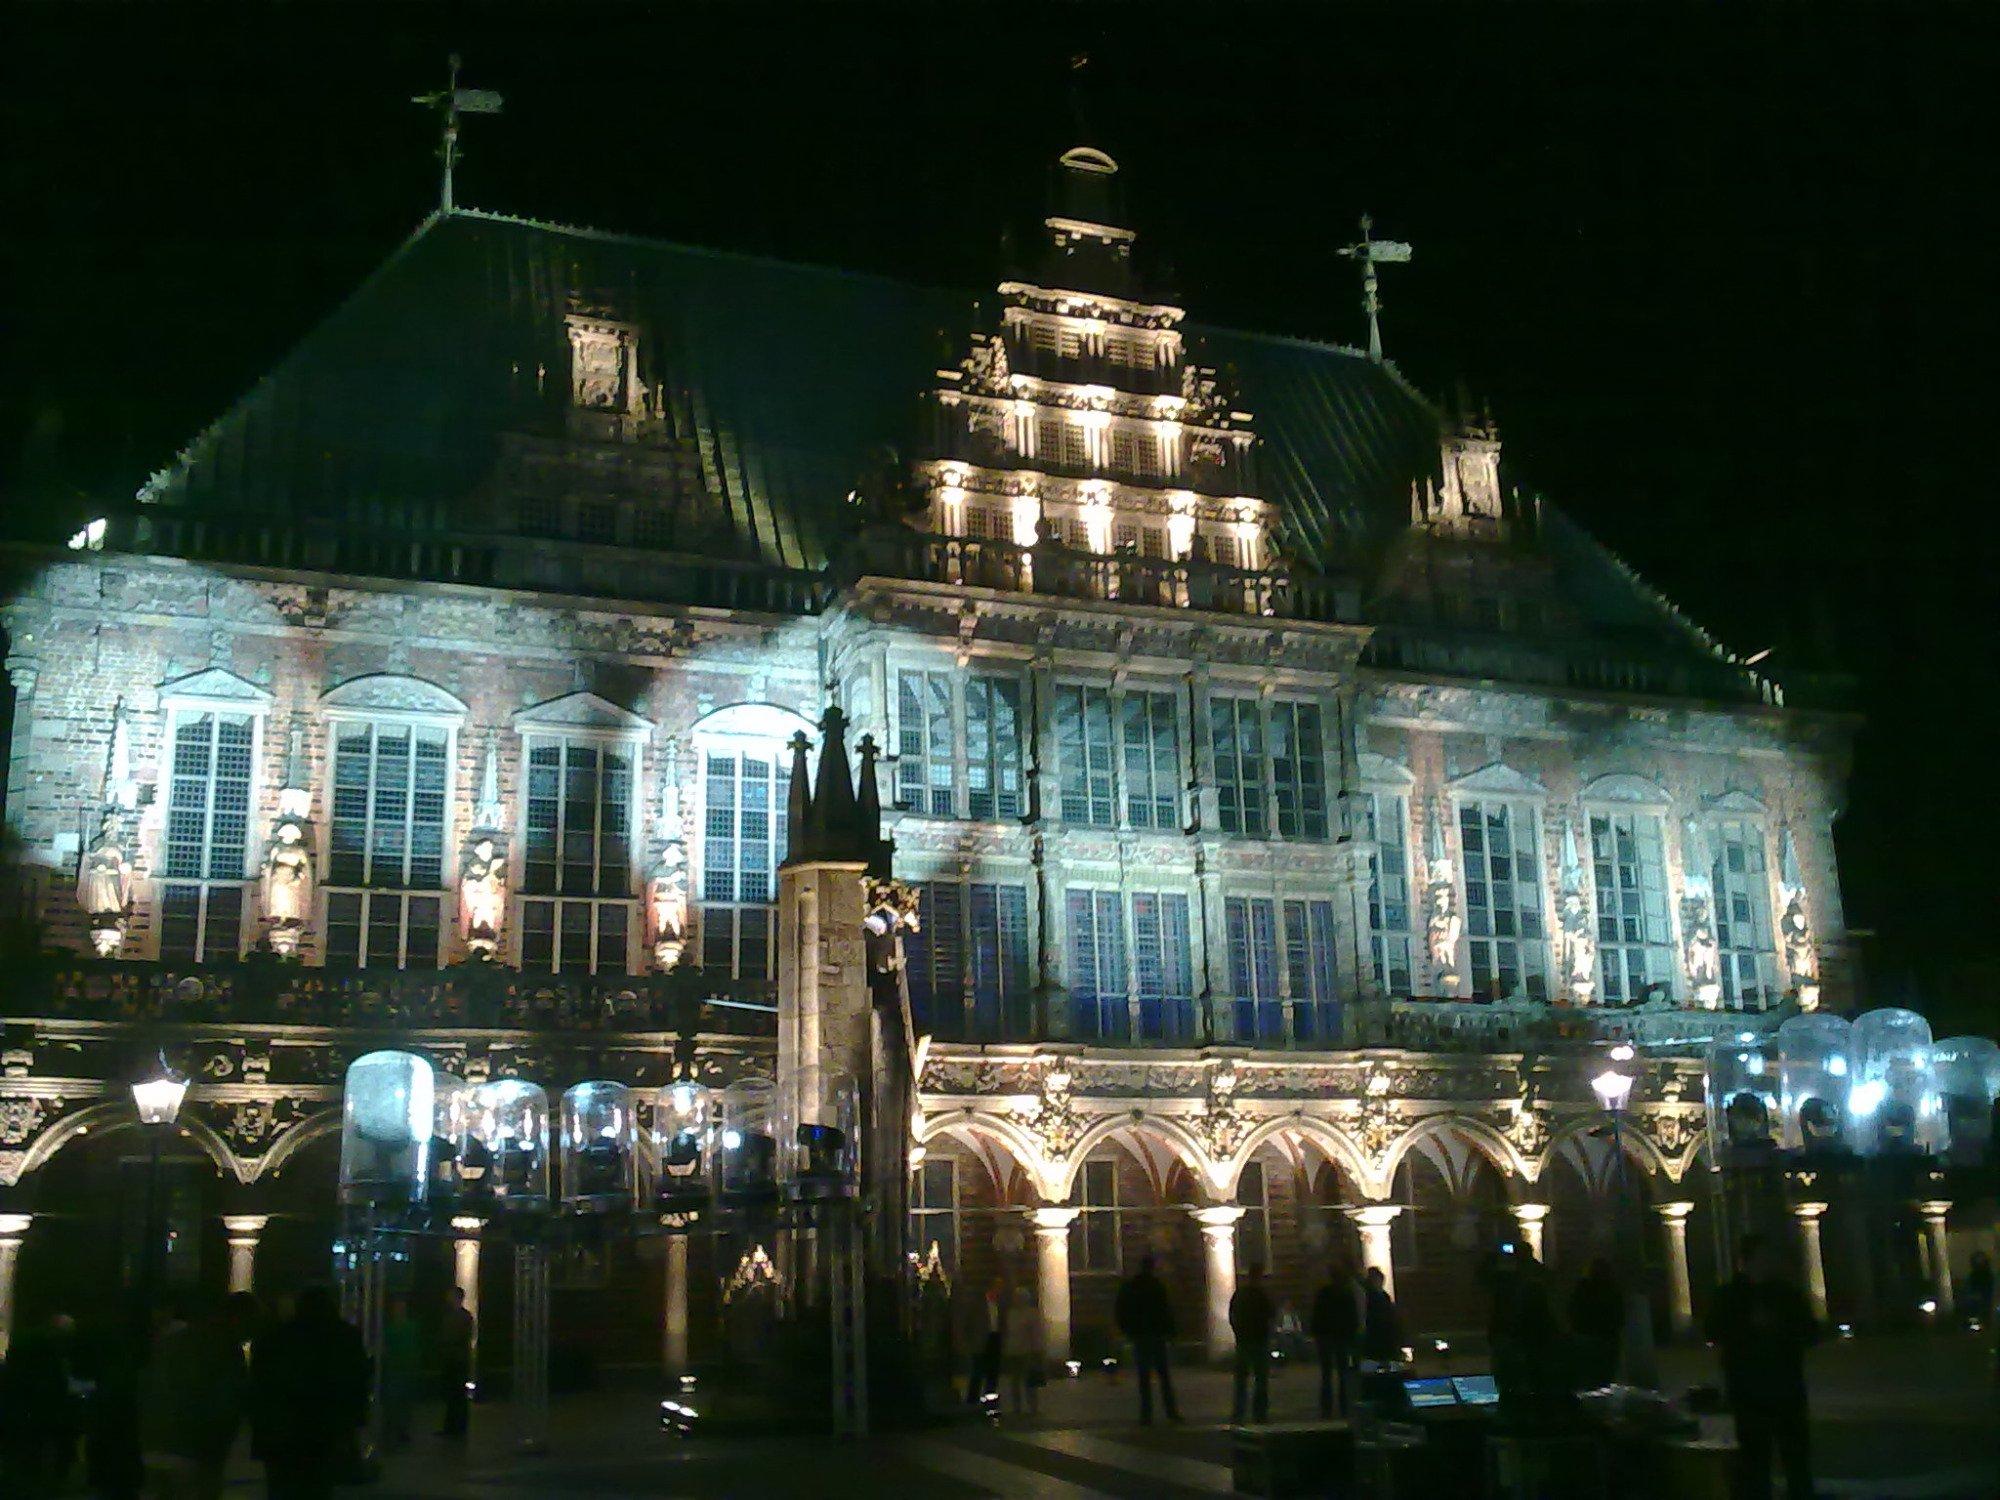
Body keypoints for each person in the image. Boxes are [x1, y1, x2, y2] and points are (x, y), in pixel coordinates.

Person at [1705, 1234, 1819, 1500]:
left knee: (1795, 1461)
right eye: (1763, 1257)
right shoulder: (1733, 1296)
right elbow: (1714, 1331)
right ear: (1747, 1262)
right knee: (1757, 1463)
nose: (1769, 1263)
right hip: (1752, 1392)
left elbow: (1810, 1332)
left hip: (1783, 1389)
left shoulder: (1785, 1294)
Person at [250, 1285, 369, 1500]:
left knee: (283, 1487)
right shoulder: (345, 1337)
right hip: (325, 1430)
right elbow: (355, 1382)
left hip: (283, 1432)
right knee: (318, 1487)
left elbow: (261, 1385)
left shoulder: (277, 1338)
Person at [140, 1295, 250, 1499]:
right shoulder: (225, 1348)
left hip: (157, 1441)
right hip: (195, 1449)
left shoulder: (173, 1341)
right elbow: (226, 1404)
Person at [0, 1310, 80, 1496]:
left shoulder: (23, 1351)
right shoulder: (52, 1358)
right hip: (40, 1417)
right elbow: (58, 1391)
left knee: (18, 1463)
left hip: (17, 1416)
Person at [1113, 1255, 1181, 1425]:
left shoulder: (1132, 1286)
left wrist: (1128, 1330)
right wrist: (1171, 1333)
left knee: (1144, 1378)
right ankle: (1171, 1412)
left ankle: (1146, 1415)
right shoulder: (1157, 1286)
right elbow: (1166, 1310)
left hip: (1141, 1336)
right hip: (1156, 1335)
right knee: (1163, 1377)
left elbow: (1121, 1310)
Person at [1310, 1261, 1364, 1418]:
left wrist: (1317, 1335)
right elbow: (1352, 1317)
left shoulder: (1324, 1293)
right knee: (1342, 1374)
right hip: (1341, 1338)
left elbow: (1317, 1316)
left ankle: (1326, 1408)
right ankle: (1344, 1407)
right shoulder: (1346, 1294)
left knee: (1327, 1375)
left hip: (1326, 1338)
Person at [1229, 1262, 1275, 1424]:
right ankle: (1259, 1413)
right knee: (1260, 1379)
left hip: (1244, 1341)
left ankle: (1239, 1413)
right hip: (1259, 1341)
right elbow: (1270, 1316)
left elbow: (1232, 1315)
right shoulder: (1262, 1295)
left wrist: (1238, 1333)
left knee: (1241, 1380)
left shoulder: (1240, 1294)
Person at [1569, 1255, 1623, 1389]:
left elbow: (1573, 1310)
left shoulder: (1583, 1288)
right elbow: (1619, 1313)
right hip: (1607, 1337)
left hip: (1587, 1336)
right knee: (1605, 1375)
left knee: (1589, 1374)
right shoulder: (1611, 1288)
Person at [1357, 1266, 1406, 1409]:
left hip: (1376, 1342)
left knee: (1374, 1372)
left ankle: (1377, 1398)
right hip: (1379, 1341)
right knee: (1380, 1371)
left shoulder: (1371, 1296)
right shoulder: (1375, 1297)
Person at [379, 1297, 422, 1449]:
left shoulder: (392, 1328)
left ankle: (396, 1429)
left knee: (398, 1401)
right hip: (402, 1368)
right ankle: (399, 1429)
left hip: (399, 1368)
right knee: (400, 1401)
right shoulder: (409, 1327)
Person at [436, 1286, 475, 1438]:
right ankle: (454, 1428)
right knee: (454, 1395)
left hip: (456, 1360)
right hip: (455, 1359)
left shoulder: (459, 1317)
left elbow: (454, 1338)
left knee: (456, 1395)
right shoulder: (462, 1317)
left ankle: (455, 1428)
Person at [1002, 1280, 1044, 1417]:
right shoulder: (1011, 1314)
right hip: (1014, 1351)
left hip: (1027, 1351)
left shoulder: (1031, 1314)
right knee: (1015, 1381)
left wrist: (1036, 1350)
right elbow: (1008, 1333)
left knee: (1029, 1381)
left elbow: (1035, 1334)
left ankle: (1033, 1406)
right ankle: (1017, 1407)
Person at [1963, 1250, 1995, 1327]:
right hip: (1976, 1302)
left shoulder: (1988, 1275)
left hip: (1985, 1302)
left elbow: (1990, 1289)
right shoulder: (1973, 1276)